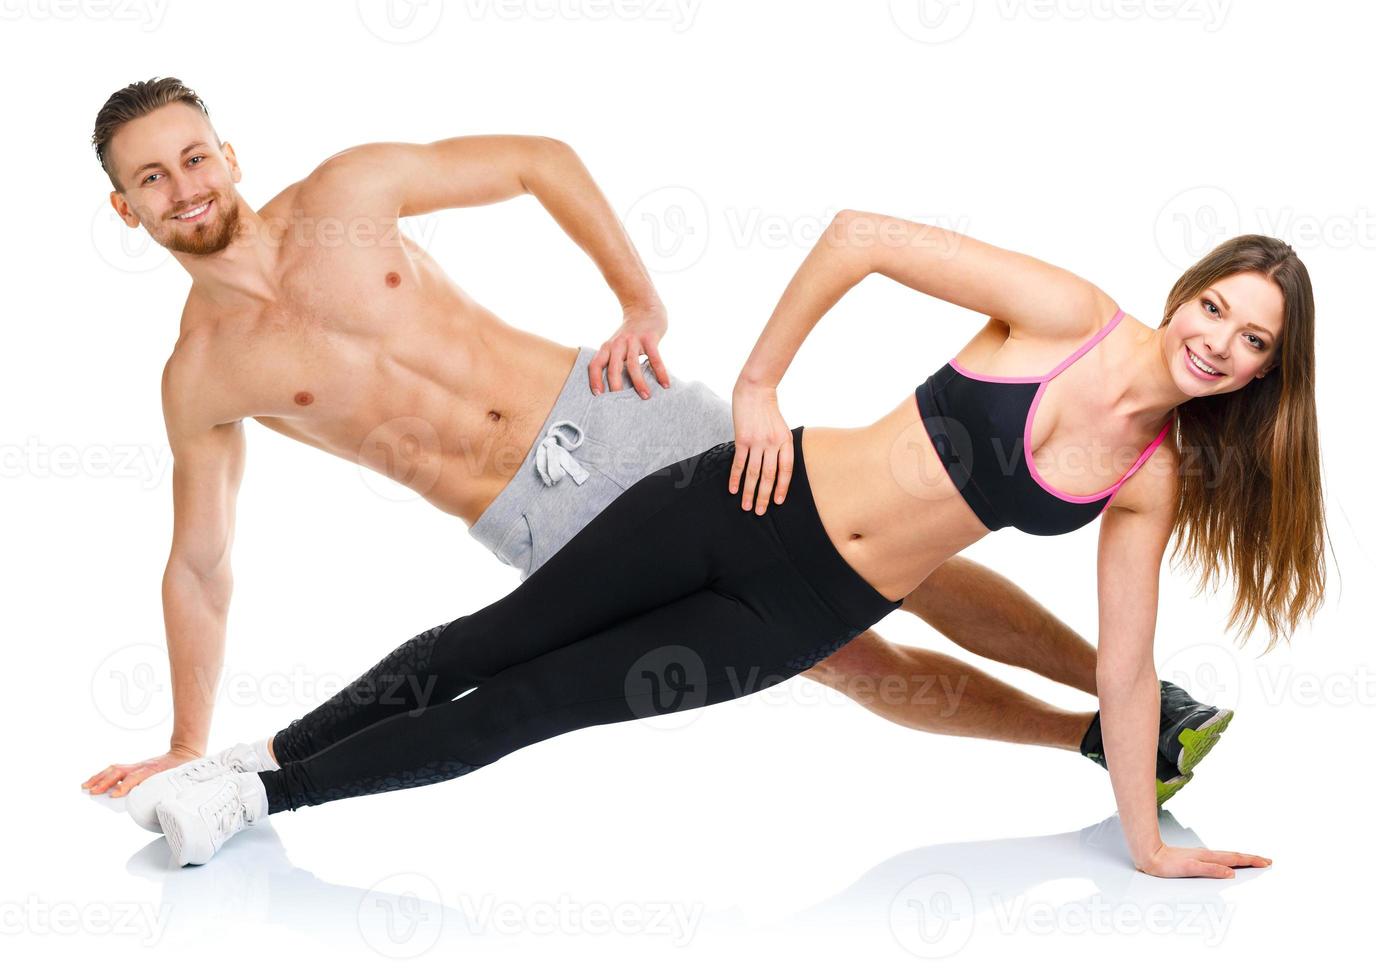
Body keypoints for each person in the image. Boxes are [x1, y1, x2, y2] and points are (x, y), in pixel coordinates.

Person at [82, 78, 1227, 811]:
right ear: (127, 210)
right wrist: (189, 736)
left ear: (227, 149)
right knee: (844, 659)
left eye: (193, 155)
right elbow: (201, 561)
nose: (184, 185)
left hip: (619, 412)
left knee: (902, 563)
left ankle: (1131, 694)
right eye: (152, 176)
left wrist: (638, 304)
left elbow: (539, 158)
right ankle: (1089, 736)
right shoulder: (201, 377)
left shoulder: (348, 191)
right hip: (532, 518)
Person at [133, 208, 1324, 878]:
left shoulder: (1147, 480)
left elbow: (1125, 664)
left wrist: (1142, 843)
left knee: (533, 703)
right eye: (1216, 306)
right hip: (746, 492)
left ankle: (263, 797)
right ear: (1187, 292)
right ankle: (259, 750)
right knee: (496, 636)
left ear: (1266, 374)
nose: (1218, 340)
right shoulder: (1069, 314)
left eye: (1252, 341)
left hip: (792, 617)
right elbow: (858, 235)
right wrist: (760, 385)